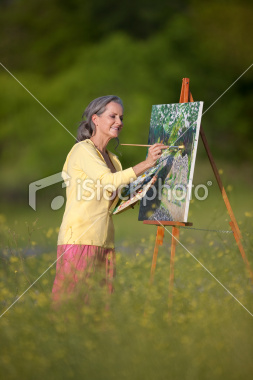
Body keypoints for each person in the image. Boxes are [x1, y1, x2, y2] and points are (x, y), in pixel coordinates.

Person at [51, 95, 166, 304]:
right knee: (70, 308)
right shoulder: (83, 150)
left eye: (121, 117)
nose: (119, 122)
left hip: (105, 241)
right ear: (95, 119)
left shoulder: (113, 160)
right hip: (80, 239)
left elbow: (113, 202)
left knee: (99, 311)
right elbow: (109, 182)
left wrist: (142, 189)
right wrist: (147, 164)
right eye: (113, 116)